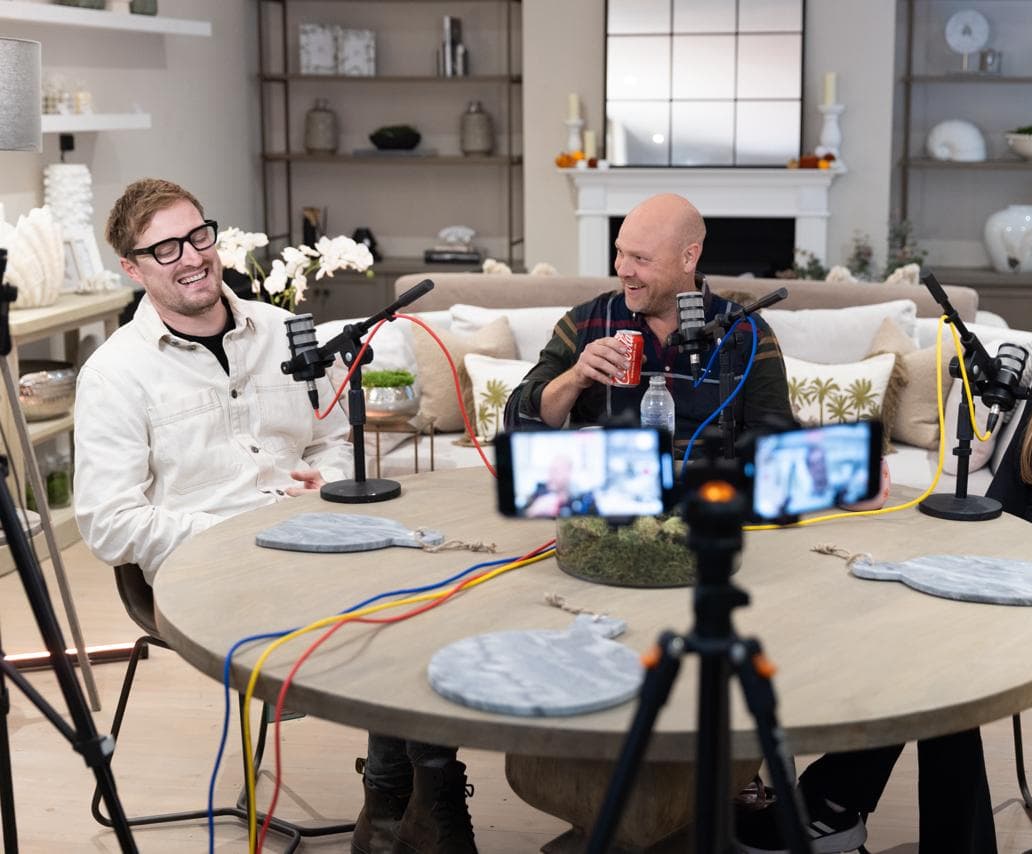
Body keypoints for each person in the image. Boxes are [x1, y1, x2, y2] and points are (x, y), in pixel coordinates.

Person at [735, 233, 1032, 854]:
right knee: (908, 623)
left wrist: (1014, 569)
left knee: (942, 659)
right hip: (1018, 565)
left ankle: (829, 804)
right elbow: (1007, 495)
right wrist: (970, 562)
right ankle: (839, 807)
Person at [72, 178, 477, 854]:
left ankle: (404, 799)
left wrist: (332, 482)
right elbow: (109, 524)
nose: (192, 257)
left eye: (198, 236)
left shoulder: (280, 330)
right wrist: (236, 532)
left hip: (311, 532)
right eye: (165, 247)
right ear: (132, 268)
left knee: (432, 586)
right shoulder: (114, 374)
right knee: (387, 604)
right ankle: (399, 800)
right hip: (203, 567)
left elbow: (334, 442)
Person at [503, 193, 796, 455]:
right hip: (613, 499)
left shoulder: (746, 331)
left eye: (641, 258)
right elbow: (518, 422)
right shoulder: (585, 322)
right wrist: (576, 377)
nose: (622, 269)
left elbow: (777, 447)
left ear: (688, 257)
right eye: (620, 251)